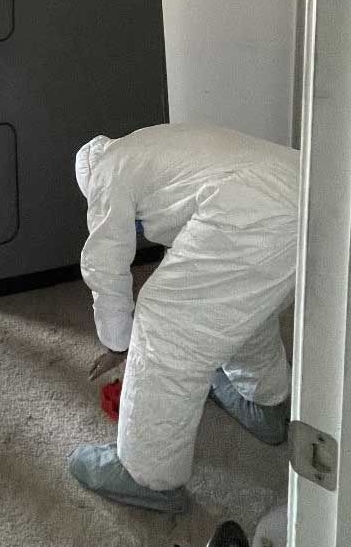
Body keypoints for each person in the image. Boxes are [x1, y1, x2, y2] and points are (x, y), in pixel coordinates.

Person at [69, 123, 298, 512]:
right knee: (231, 303)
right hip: (304, 187)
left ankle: (146, 474)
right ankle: (265, 402)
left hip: (251, 210)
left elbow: (104, 264)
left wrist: (117, 342)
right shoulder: (150, 147)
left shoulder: (107, 173)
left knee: (165, 321)